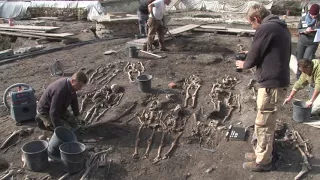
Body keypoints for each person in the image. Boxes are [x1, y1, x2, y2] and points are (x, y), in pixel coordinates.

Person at [235, 3, 291, 172]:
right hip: (275, 81)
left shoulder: (266, 28)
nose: (252, 27)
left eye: (251, 24)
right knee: (264, 122)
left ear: (256, 19)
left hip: (271, 85)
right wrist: (249, 52)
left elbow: (254, 57)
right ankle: (261, 153)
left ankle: (263, 161)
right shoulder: (277, 26)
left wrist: (244, 63)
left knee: (264, 124)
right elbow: (264, 50)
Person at [296, 4, 320, 79]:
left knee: (306, 60)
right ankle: (298, 74)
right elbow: (298, 29)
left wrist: (317, 30)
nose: (313, 16)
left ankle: (305, 76)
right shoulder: (303, 18)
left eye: (315, 15)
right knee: (299, 58)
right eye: (312, 15)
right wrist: (304, 31)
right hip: (302, 41)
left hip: (312, 43)